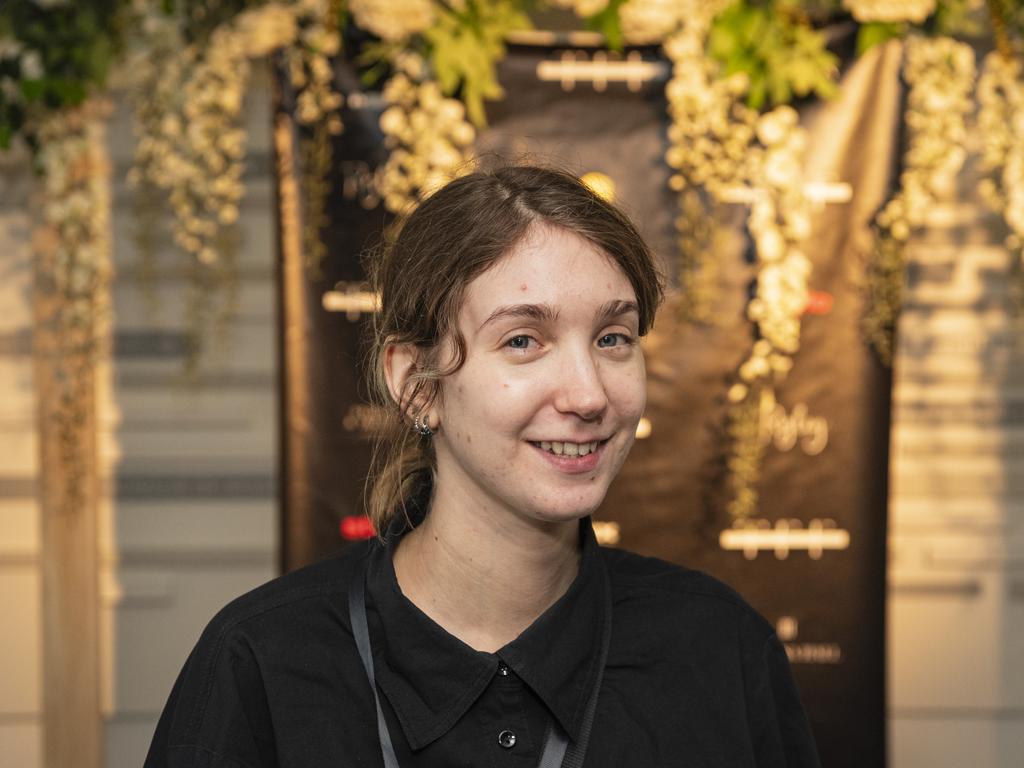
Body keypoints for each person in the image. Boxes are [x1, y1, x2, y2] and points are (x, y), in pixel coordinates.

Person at [145, 165, 821, 767]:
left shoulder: (718, 652)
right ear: (416, 383)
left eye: (613, 338)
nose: (589, 394)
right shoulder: (263, 662)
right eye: (524, 340)